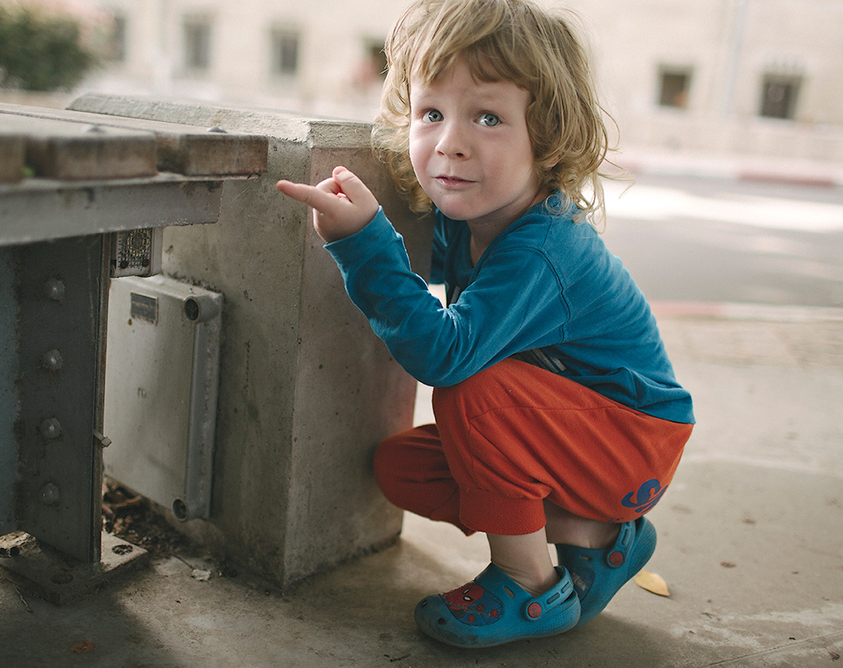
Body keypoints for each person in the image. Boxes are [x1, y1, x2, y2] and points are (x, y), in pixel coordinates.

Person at [276, 0, 694, 649]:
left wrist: (364, 242)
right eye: (431, 113)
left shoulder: (542, 249)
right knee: (400, 468)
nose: (450, 142)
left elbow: (446, 355)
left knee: (470, 385)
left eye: (489, 116)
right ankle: (600, 538)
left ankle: (531, 587)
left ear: (546, 136)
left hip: (634, 436)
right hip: (581, 434)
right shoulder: (471, 219)